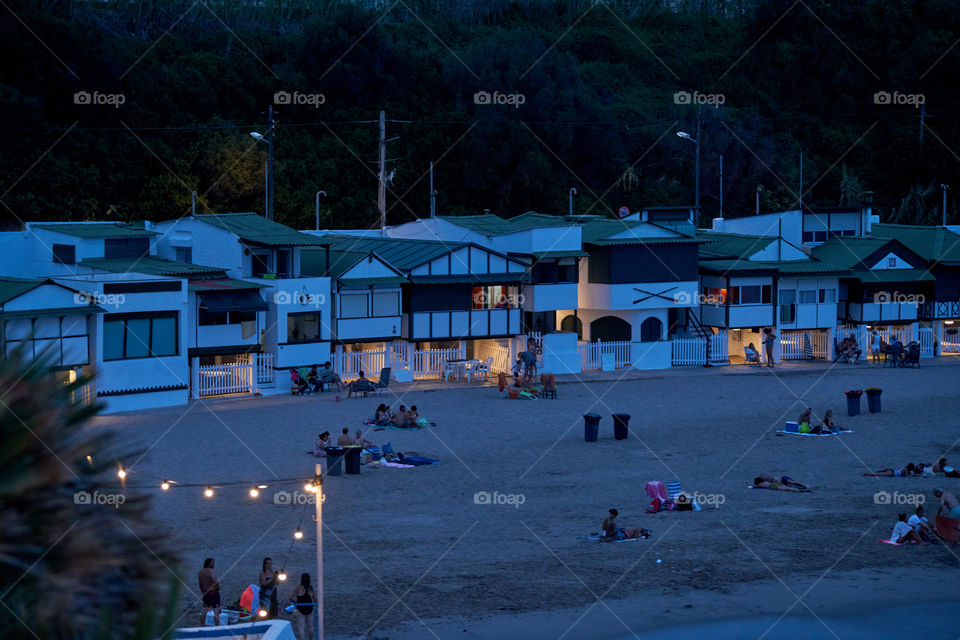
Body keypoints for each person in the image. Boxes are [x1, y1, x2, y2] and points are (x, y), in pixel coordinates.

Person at [288, 573, 317, 640]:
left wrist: (295, 602)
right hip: (309, 608)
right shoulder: (311, 588)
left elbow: (290, 598)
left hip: (300, 608)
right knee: (311, 628)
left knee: (301, 629)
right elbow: (316, 600)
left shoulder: (298, 588)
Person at [198, 557, 221, 626]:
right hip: (213, 593)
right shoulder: (211, 571)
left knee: (204, 610)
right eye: (213, 563)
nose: (214, 565)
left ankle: (202, 626)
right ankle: (217, 627)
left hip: (205, 593)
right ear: (209, 564)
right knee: (216, 610)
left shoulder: (200, 572)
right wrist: (217, 587)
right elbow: (214, 579)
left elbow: (200, 584)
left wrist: (203, 592)